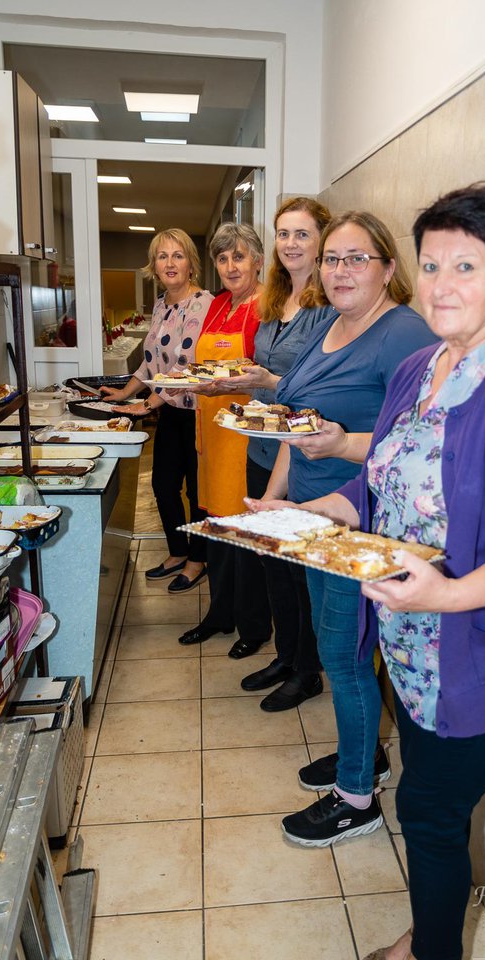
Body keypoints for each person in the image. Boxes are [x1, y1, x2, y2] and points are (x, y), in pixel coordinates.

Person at [253, 183, 485, 960]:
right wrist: (311, 512)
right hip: (414, 643)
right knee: (426, 805)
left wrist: (445, 593)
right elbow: (379, 482)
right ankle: (428, 935)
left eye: (467, 266)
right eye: (433, 263)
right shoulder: (419, 368)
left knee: (431, 814)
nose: (443, 284)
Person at [247, 210, 436, 845]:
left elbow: (414, 446)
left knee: (344, 656)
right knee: (340, 651)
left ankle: (357, 798)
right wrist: (273, 500)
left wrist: (343, 446)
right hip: (309, 517)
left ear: (388, 268)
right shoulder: (328, 322)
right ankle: (367, 756)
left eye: (357, 258)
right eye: (332, 258)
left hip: (361, 521)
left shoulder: (403, 334)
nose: (339, 270)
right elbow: (293, 422)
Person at [215, 196, 333, 710]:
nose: (290, 244)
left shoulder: (329, 305)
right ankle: (286, 656)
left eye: (301, 234)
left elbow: (320, 389)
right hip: (261, 446)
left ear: (322, 241)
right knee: (272, 565)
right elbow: (265, 369)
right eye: (283, 233)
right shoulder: (275, 298)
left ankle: (307, 671)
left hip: (303, 455)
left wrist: (268, 379)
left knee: (300, 571)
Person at [179, 223, 272, 658]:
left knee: (243, 534)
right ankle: (220, 614)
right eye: (222, 258)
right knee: (216, 528)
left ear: (257, 259)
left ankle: (253, 626)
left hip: (243, 435)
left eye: (239, 256)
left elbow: (268, 377)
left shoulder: (267, 306)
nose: (231, 266)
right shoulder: (217, 304)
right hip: (211, 433)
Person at [102, 228, 213, 592]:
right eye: (162, 256)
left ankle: (198, 560)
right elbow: (151, 364)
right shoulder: (162, 305)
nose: (169, 263)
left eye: (177, 255)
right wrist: (123, 393)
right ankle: (177, 552)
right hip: (170, 412)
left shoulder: (203, 304)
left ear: (190, 263)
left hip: (197, 415)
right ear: (154, 265)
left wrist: (147, 404)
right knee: (163, 486)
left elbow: (185, 365)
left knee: (197, 494)